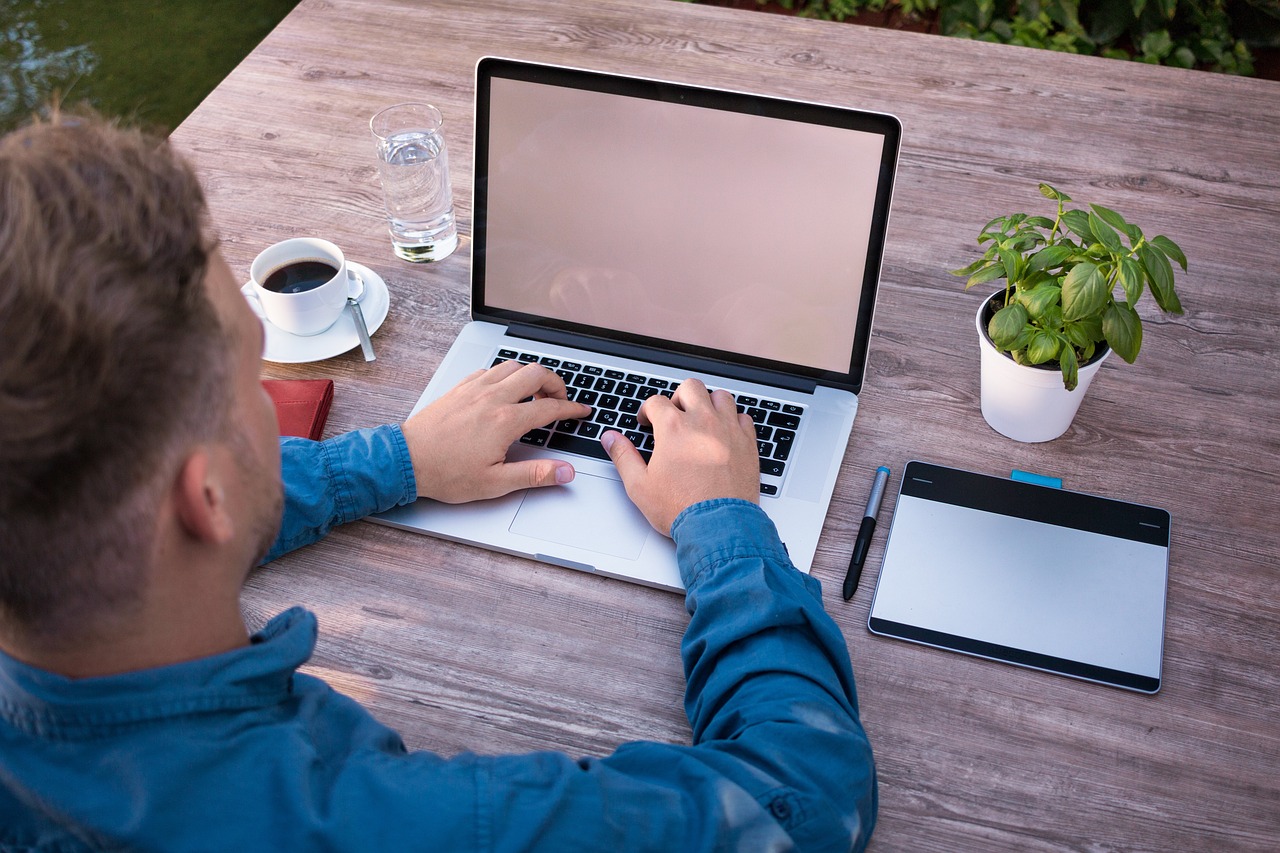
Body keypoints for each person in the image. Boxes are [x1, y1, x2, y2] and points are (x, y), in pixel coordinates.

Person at [0, 111, 876, 851]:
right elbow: (806, 792)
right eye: (251, 385)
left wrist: (400, 460)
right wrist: (722, 522)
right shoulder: (414, 825)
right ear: (208, 499)